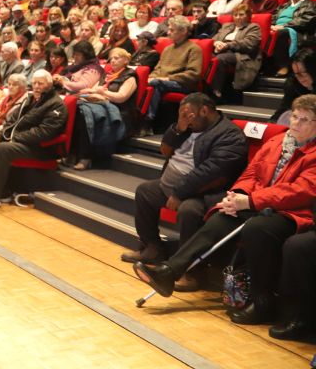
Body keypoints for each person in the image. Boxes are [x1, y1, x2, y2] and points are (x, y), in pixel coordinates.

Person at [134, 95, 316, 324]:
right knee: (224, 214)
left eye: (305, 120)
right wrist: (239, 194)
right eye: (295, 117)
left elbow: (301, 191)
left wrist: (251, 201)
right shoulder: (278, 141)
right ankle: (169, 271)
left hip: (294, 212)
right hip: (260, 201)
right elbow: (252, 173)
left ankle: (262, 301)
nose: (296, 124)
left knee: (257, 227)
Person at [121, 94, 247, 290]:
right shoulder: (187, 127)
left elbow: (213, 171)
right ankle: (152, 248)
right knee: (145, 191)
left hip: (207, 191)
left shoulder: (229, 134)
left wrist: (180, 192)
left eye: (188, 115)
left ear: (204, 111)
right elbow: (165, 150)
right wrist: (178, 128)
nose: (186, 119)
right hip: (174, 185)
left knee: (190, 211)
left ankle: (191, 272)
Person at [0, 70, 68, 210]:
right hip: (21, 142)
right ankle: (1, 192)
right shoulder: (30, 99)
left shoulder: (56, 104)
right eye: (34, 82)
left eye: (40, 83)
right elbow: (10, 122)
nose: (36, 86)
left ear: (49, 84)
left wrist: (11, 138)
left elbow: (44, 133)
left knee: (3, 148)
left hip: (40, 148)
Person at [66, 47, 139, 170]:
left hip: (119, 111)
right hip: (101, 104)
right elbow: (92, 89)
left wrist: (102, 94)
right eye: (111, 59)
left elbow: (121, 97)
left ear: (126, 60)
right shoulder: (107, 74)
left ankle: (85, 156)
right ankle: (72, 152)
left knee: (83, 115)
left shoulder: (130, 77)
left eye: (117, 58)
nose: (113, 61)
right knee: (76, 110)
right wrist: (92, 92)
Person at [141, 16, 203, 135]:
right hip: (163, 82)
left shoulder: (194, 49)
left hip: (183, 84)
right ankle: (138, 117)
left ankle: (148, 121)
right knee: (145, 82)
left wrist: (168, 78)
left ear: (184, 31)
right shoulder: (167, 49)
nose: (168, 32)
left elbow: (194, 74)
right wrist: (150, 78)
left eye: (172, 30)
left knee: (156, 83)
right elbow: (157, 69)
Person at [208, 4, 262, 99]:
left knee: (220, 59)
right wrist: (216, 43)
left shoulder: (253, 27)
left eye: (241, 14)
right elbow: (214, 39)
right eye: (235, 15)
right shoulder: (227, 26)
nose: (238, 17)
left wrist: (228, 45)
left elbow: (249, 44)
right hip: (221, 50)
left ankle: (216, 91)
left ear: (248, 15)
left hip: (240, 54)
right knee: (204, 56)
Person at [270, 48, 316, 124]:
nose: (300, 78)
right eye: (296, 74)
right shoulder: (293, 84)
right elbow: (283, 109)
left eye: (303, 73)